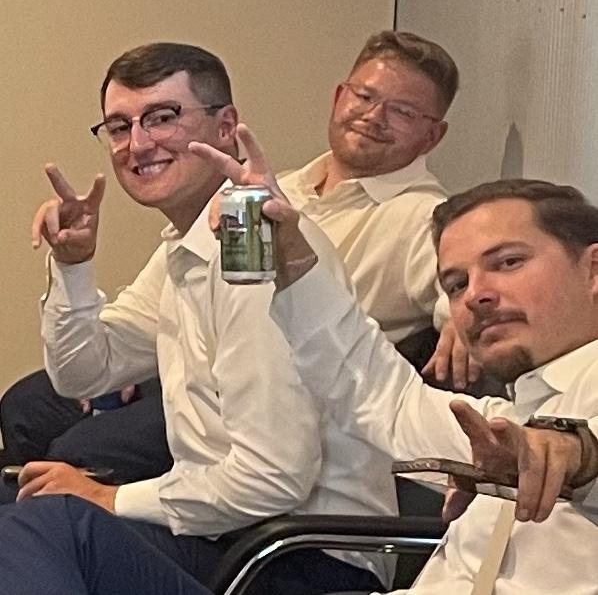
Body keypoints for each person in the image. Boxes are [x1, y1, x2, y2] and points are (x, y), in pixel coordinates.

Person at [0, 165, 595, 593]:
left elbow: (576, 447)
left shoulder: (571, 412)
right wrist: (292, 260)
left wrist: (578, 455)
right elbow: (374, 390)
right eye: (456, 284)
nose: (477, 295)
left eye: (508, 262)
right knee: (38, 522)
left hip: (293, 549)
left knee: (56, 527)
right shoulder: (503, 419)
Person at [0, 31, 474, 485]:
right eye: (364, 96)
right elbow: (92, 363)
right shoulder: (271, 187)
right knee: (26, 407)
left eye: (402, 111)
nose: (373, 116)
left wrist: (457, 316)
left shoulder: (424, 217)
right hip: (199, 373)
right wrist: (75, 265)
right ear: (338, 97)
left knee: (74, 459)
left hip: (288, 408)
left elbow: (469, 287)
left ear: (433, 135)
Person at [12, 41, 399, 595]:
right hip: (225, 532)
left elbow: (273, 478)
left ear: (226, 127)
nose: (137, 144)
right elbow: (83, 373)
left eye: (162, 117)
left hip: (303, 558)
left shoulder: (255, 246)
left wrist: (109, 499)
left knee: (49, 530)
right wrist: (74, 266)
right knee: (20, 513)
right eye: (119, 126)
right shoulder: (187, 244)